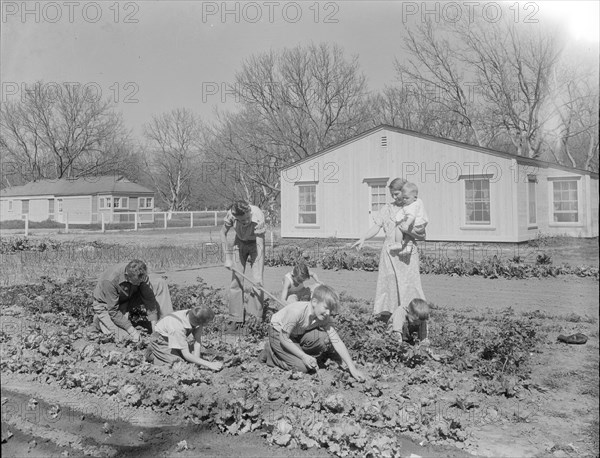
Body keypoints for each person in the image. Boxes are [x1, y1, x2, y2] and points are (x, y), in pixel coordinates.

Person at [351, 178, 427, 334]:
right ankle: (392, 325)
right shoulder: (386, 208)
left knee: (410, 288)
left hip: (406, 252)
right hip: (389, 252)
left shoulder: (413, 207)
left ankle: (417, 324)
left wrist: (408, 231)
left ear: (405, 191)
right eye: (392, 194)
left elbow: (422, 234)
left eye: (397, 194)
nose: (394, 198)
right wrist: (364, 238)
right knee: (389, 287)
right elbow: (377, 226)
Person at [260, 284, 365, 381]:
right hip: (278, 334)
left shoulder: (324, 316)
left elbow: (336, 340)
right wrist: (304, 356)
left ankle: (293, 353)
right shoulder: (296, 312)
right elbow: (284, 338)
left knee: (321, 338)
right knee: (302, 367)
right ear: (314, 302)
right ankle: (270, 353)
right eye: (326, 308)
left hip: (295, 334)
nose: (328, 313)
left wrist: (352, 368)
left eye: (331, 310)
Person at [91, 260, 174, 342]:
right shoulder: (110, 280)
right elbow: (113, 311)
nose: (139, 284)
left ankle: (166, 325)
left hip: (128, 298)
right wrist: (133, 331)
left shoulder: (140, 273)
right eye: (137, 282)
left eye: (140, 281)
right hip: (107, 306)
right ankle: (100, 321)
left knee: (160, 283)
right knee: (125, 338)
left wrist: (154, 327)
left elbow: (149, 298)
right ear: (127, 277)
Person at [220, 200, 266, 331]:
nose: (245, 222)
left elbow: (260, 245)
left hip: (256, 244)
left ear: (249, 212)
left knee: (258, 282)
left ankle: (254, 319)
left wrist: (258, 274)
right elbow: (222, 233)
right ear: (235, 217)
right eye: (241, 220)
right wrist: (227, 258)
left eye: (247, 218)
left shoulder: (257, 215)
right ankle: (235, 318)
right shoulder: (231, 215)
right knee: (236, 280)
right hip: (239, 242)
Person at [145, 305, 223, 371]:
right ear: (199, 322)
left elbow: (197, 342)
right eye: (208, 323)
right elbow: (186, 355)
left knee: (194, 358)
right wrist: (209, 364)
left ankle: (165, 354)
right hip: (161, 341)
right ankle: (152, 353)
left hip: (174, 338)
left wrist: (196, 365)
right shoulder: (177, 327)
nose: (209, 324)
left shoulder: (195, 316)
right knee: (178, 364)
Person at [389, 181, 428, 253]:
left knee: (400, 227)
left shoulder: (411, 205)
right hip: (420, 224)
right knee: (407, 233)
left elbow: (411, 216)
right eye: (392, 195)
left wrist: (406, 224)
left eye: (396, 194)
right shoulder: (417, 201)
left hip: (416, 225)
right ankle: (408, 248)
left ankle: (398, 243)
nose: (404, 200)